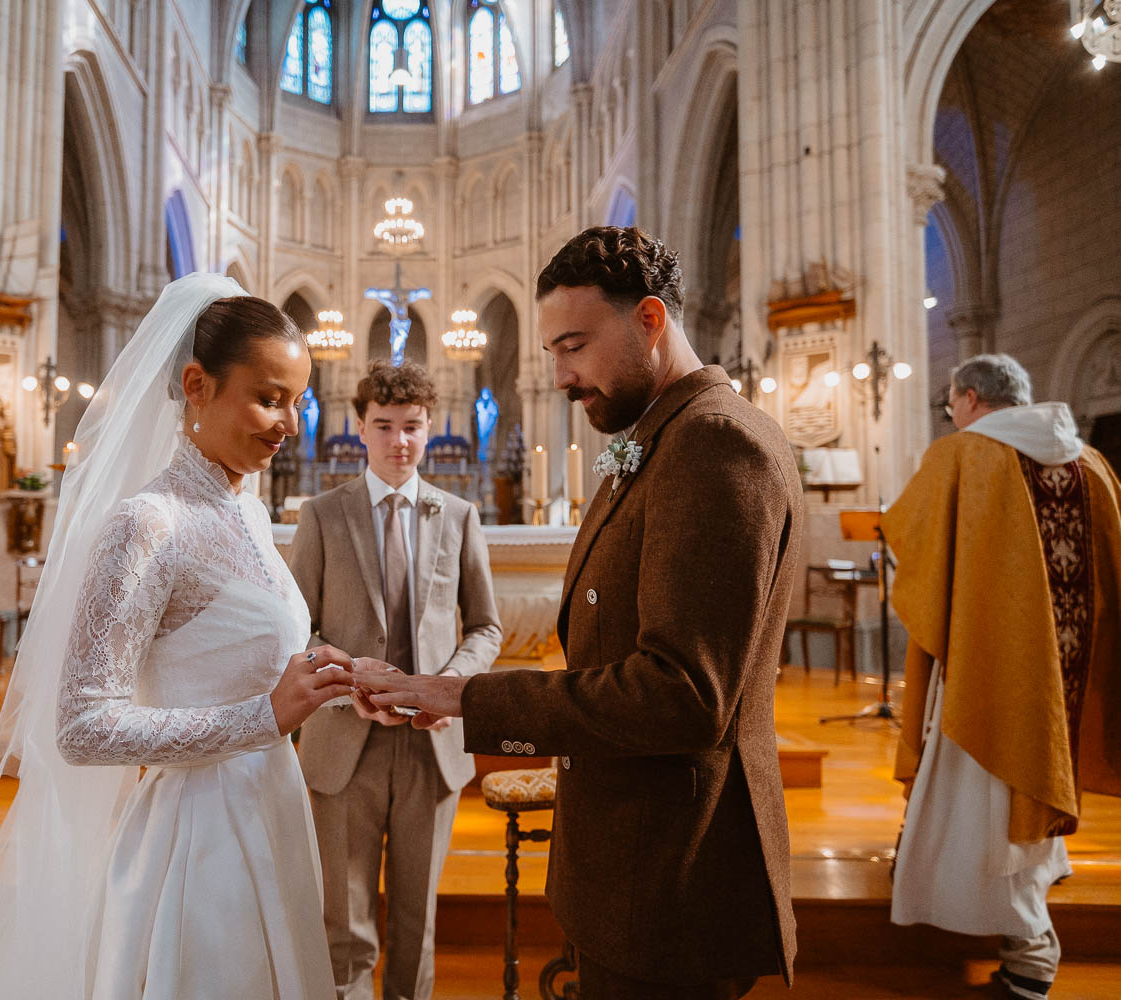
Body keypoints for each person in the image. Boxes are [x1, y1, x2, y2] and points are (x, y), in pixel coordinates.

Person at [354, 226, 800, 998]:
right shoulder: (661, 437)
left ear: (650, 320)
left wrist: (469, 697)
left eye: (573, 346)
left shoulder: (715, 445)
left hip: (671, 875)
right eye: (552, 353)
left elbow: (683, 693)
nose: (560, 376)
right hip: (630, 861)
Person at [0, 274, 355, 1000]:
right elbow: (83, 727)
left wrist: (324, 679)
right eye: (269, 398)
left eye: (298, 403)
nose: (288, 425)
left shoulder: (248, 512)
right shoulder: (146, 523)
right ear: (196, 383)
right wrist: (263, 718)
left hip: (273, 807)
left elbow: (237, 660)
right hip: (197, 841)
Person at [883, 353, 1121, 1000]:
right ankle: (1037, 900)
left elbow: (908, 538)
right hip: (1070, 685)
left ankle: (1030, 956)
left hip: (986, 681)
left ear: (968, 398)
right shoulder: (1092, 465)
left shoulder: (962, 456)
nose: (952, 414)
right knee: (1035, 791)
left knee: (987, 812)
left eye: (952, 403)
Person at [289, 361, 502, 1000]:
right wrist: (350, 677)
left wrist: (451, 686)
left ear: (431, 429)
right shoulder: (322, 514)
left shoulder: (459, 515)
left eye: (412, 427)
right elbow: (297, 631)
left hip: (429, 748)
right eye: (384, 426)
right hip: (343, 747)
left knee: (417, 921)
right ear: (360, 428)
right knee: (345, 924)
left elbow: (485, 627)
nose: (399, 441)